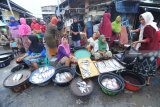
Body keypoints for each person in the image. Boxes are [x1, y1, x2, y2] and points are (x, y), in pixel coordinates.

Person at [132, 12, 159, 85]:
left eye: (143, 20)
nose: (141, 21)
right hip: (154, 50)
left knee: (142, 65)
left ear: (147, 18)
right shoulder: (154, 26)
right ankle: (148, 81)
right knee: (150, 66)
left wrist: (137, 41)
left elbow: (148, 39)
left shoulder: (147, 27)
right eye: (140, 20)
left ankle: (138, 78)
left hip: (146, 50)